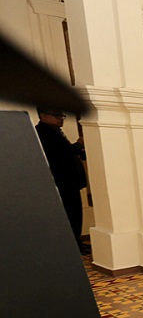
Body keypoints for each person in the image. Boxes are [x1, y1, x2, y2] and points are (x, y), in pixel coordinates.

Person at [35, 106, 89, 253]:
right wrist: (78, 145)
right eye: (56, 115)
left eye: (62, 116)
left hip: (69, 181)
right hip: (62, 182)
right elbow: (58, 156)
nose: (60, 119)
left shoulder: (54, 131)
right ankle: (73, 246)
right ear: (43, 116)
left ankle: (77, 243)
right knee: (70, 215)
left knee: (75, 214)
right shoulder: (42, 133)